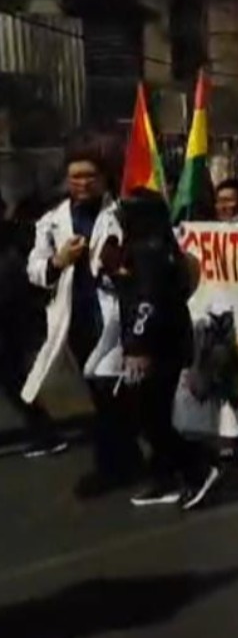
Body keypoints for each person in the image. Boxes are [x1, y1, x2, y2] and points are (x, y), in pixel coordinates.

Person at [23, 153, 144, 497]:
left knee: (113, 394)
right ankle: (124, 460)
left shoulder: (122, 213)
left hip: (116, 317)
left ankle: (112, 467)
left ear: (104, 177)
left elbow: (141, 256)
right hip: (75, 320)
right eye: (75, 177)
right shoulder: (52, 221)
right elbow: (35, 268)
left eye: (89, 175)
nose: (82, 183)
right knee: (101, 395)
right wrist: (59, 261)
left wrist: (121, 265)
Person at [114, 189, 221, 509]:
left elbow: (148, 304)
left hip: (156, 347)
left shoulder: (149, 251)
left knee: (151, 418)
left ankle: (197, 468)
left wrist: (137, 347)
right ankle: (165, 476)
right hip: (169, 342)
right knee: (150, 413)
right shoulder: (162, 247)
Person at [0, 195, 67, 458]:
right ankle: (44, 430)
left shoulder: (16, 239)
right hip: (12, 317)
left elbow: (21, 281)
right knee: (12, 379)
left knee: (12, 378)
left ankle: (46, 432)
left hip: (9, 319)